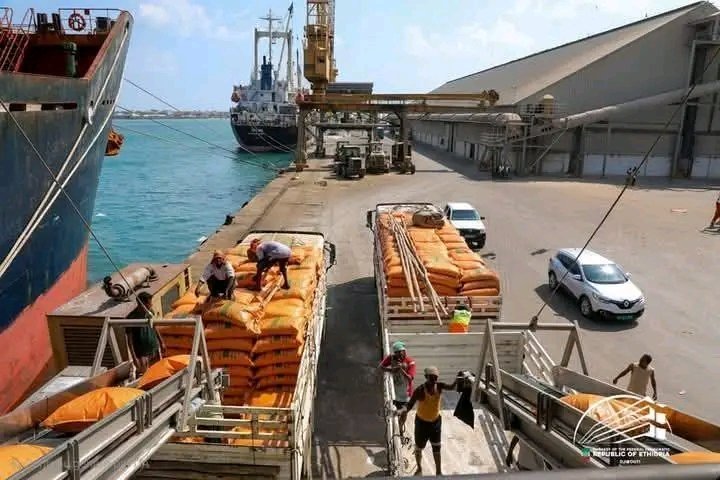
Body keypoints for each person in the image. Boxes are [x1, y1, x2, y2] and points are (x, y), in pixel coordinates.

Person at [396, 366, 459, 476]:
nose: (433, 380)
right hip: (421, 424)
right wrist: (401, 410)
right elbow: (409, 405)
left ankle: (438, 472)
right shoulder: (420, 390)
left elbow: (452, 387)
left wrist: (458, 379)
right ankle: (419, 468)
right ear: (426, 377)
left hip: (436, 422)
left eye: (435, 378)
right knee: (419, 448)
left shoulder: (440, 386)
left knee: (437, 448)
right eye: (431, 378)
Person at [379, 341, 416, 435]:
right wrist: (392, 370)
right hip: (394, 392)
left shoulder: (410, 362)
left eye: (401, 352)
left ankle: (400, 428)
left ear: (404, 351)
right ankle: (395, 429)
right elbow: (381, 367)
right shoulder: (391, 358)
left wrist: (402, 369)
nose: (399, 355)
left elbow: (410, 378)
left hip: (406, 393)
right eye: (397, 353)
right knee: (394, 411)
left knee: (404, 412)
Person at [126, 292, 165, 375]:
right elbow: (129, 340)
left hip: (154, 349)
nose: (151, 305)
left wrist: (161, 342)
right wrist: (134, 357)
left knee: (157, 372)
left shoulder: (150, 313)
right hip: (142, 353)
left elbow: (154, 327)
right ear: (142, 304)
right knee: (145, 375)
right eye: (149, 304)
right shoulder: (131, 318)